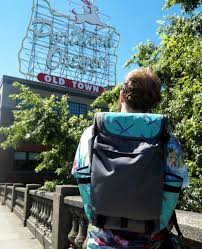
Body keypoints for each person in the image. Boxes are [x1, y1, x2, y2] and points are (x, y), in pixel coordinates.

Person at [72, 67, 189, 249]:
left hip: (101, 243)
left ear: (122, 96)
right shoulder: (168, 140)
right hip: (150, 243)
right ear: (153, 101)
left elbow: (82, 179)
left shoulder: (92, 133)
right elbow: (177, 186)